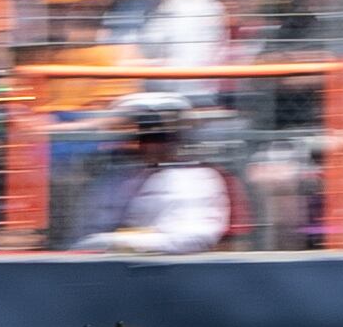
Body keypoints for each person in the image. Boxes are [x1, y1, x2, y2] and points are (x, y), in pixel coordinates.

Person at [75, 99, 233, 255]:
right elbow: (89, 233)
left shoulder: (199, 178)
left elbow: (192, 239)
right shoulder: (113, 180)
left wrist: (118, 241)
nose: (150, 145)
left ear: (177, 139)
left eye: (160, 137)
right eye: (144, 136)